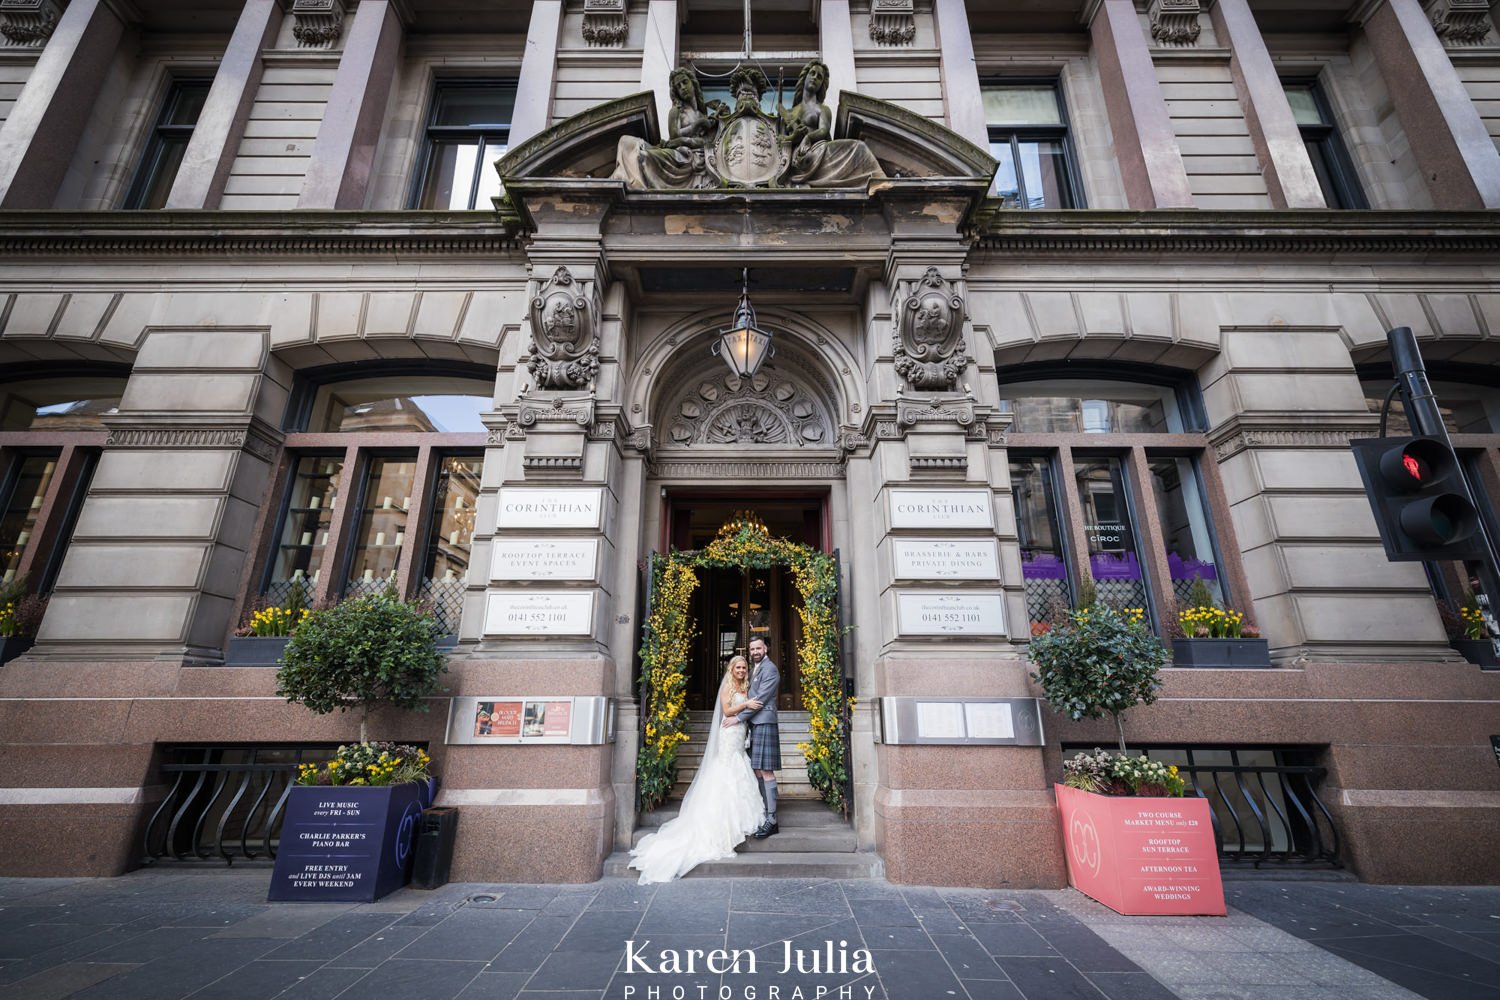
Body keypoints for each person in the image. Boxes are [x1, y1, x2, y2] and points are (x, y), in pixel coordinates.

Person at [628, 656, 765, 883]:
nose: (741, 670)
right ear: (731, 669)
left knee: (739, 767)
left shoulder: (746, 686)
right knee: (727, 770)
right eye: (738, 667)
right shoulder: (728, 686)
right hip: (729, 733)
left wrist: (747, 711)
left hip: (740, 734)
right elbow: (727, 711)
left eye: (743, 667)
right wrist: (746, 705)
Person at [782, 59, 885, 188]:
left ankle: (880, 183)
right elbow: (782, 139)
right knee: (859, 147)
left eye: (819, 77)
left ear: (822, 84)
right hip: (798, 159)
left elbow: (823, 130)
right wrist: (793, 136)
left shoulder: (822, 109)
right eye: (812, 73)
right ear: (805, 76)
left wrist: (808, 137)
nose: (815, 78)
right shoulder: (790, 112)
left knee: (860, 148)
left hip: (819, 150)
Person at [612, 67, 717, 190]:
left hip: (698, 157)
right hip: (680, 154)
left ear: (693, 83)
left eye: (685, 82)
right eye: (678, 86)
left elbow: (707, 142)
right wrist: (697, 125)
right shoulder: (677, 111)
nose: (682, 87)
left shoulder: (702, 114)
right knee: (638, 151)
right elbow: (675, 136)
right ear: (676, 92)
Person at [743, 635, 782, 838]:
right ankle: (765, 812)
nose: (755, 652)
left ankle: (772, 820)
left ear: (765, 648)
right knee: (757, 770)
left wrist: (737, 717)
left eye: (758, 648)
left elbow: (758, 701)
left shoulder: (770, 669)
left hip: (764, 721)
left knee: (766, 770)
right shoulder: (755, 669)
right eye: (752, 649)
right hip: (755, 724)